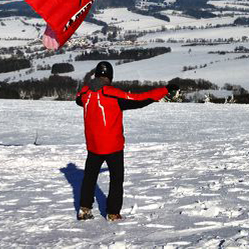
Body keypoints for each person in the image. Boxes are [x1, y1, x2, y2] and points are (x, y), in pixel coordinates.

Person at [75, 61, 177, 221]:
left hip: (93, 145)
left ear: (96, 75)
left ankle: (84, 209)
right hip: (113, 146)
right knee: (116, 179)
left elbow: (78, 99)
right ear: (110, 76)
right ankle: (113, 213)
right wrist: (164, 90)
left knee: (89, 178)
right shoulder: (113, 93)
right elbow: (139, 99)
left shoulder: (85, 93)